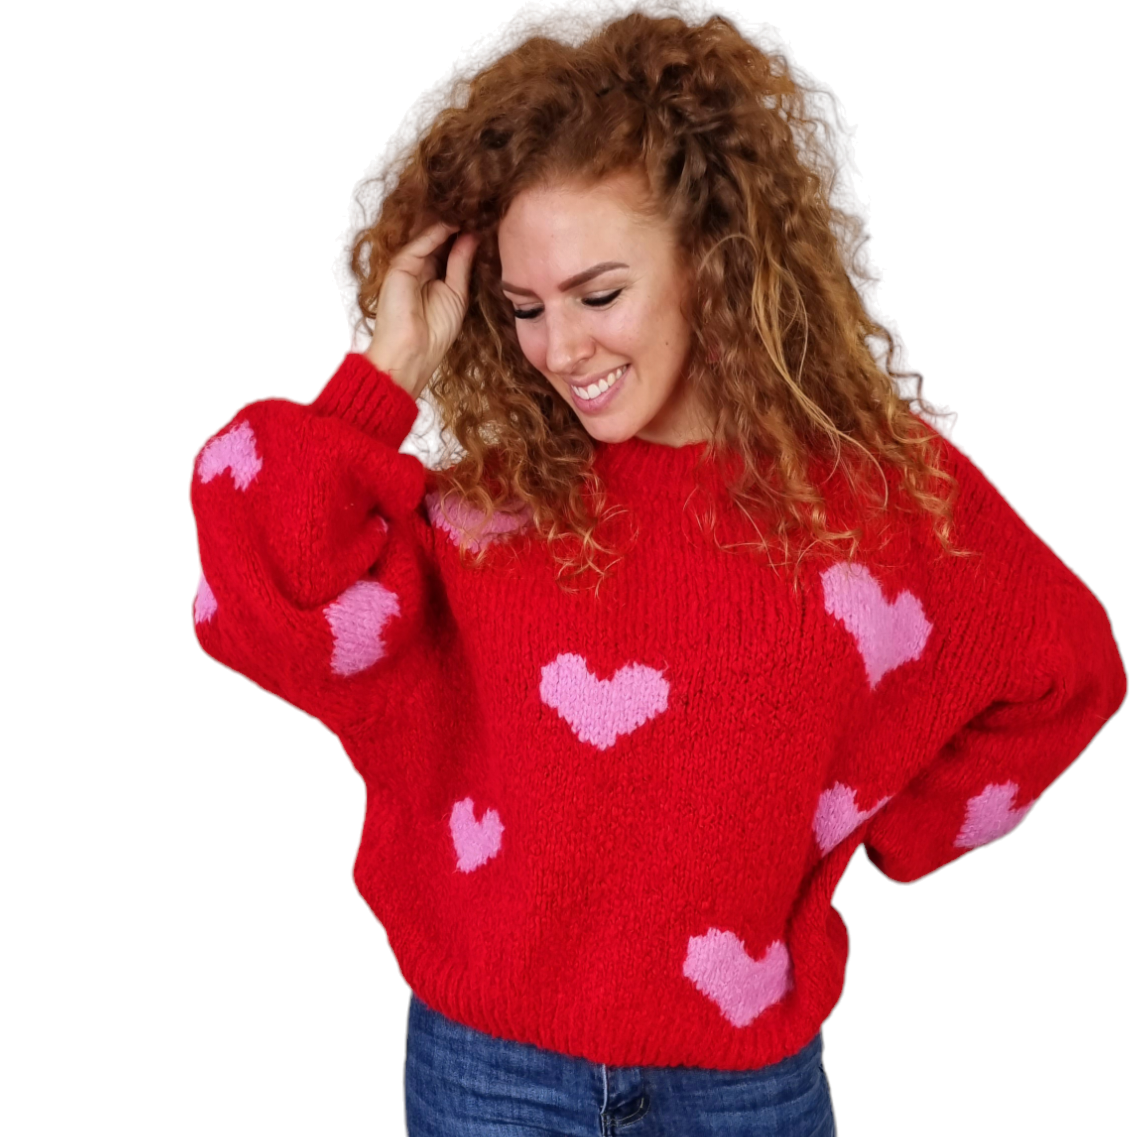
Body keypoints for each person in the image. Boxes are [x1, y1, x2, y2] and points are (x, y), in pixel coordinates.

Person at [188, 8, 1126, 1135]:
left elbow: (1064, 667)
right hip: (489, 1074)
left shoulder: (869, 494)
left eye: (598, 294)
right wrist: (387, 371)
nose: (560, 348)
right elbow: (261, 592)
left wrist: (873, 825)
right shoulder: (486, 514)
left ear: (712, 262)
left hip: (744, 1084)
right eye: (524, 308)